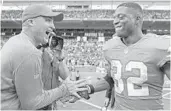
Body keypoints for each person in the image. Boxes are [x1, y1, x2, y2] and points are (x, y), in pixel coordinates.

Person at [82, 2, 170, 110]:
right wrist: (89, 89)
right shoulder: (111, 47)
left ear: (137, 19)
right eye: (114, 18)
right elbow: (112, 79)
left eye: (121, 17)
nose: (115, 22)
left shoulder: (158, 46)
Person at [1, 4, 88, 110]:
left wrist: (60, 58)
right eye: (48, 20)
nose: (53, 26)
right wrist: (65, 89)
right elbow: (32, 103)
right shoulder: (29, 52)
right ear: (31, 22)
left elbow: (62, 77)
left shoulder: (16, 42)